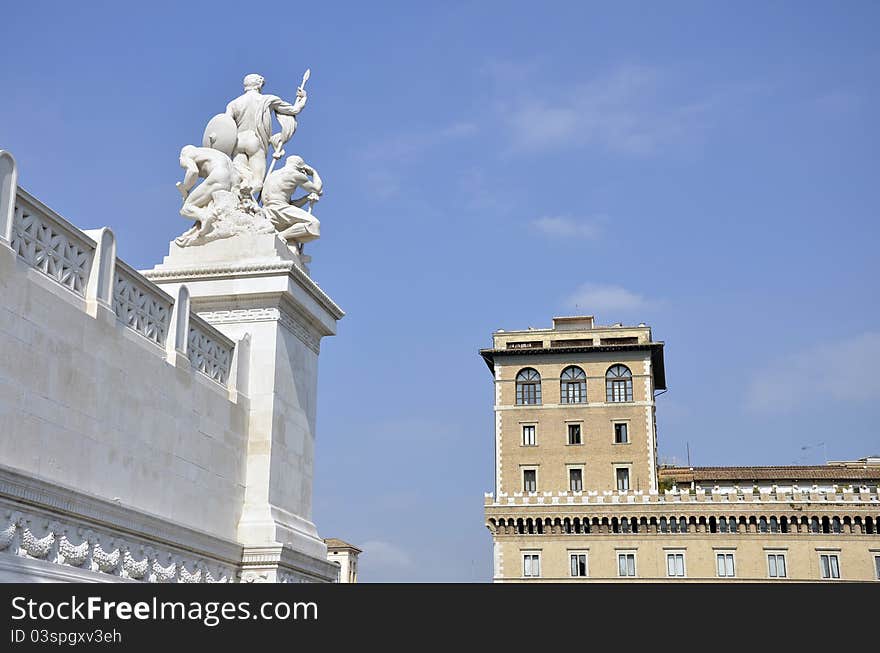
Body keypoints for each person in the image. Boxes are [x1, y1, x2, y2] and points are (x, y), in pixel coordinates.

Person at [225, 74, 307, 193]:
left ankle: (239, 201)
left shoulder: (233, 104)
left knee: (239, 178)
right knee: (257, 182)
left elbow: (225, 126)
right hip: (254, 142)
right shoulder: (268, 99)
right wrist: (303, 98)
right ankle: (246, 203)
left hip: (237, 142)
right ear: (259, 85)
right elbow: (294, 110)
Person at [261, 155, 323, 249]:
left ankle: (284, 236)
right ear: (300, 167)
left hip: (268, 209)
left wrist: (306, 198)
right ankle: (281, 236)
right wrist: (314, 173)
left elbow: (289, 205)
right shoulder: (295, 174)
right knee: (314, 225)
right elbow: (317, 189)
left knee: (293, 241)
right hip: (278, 209)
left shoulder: (273, 174)